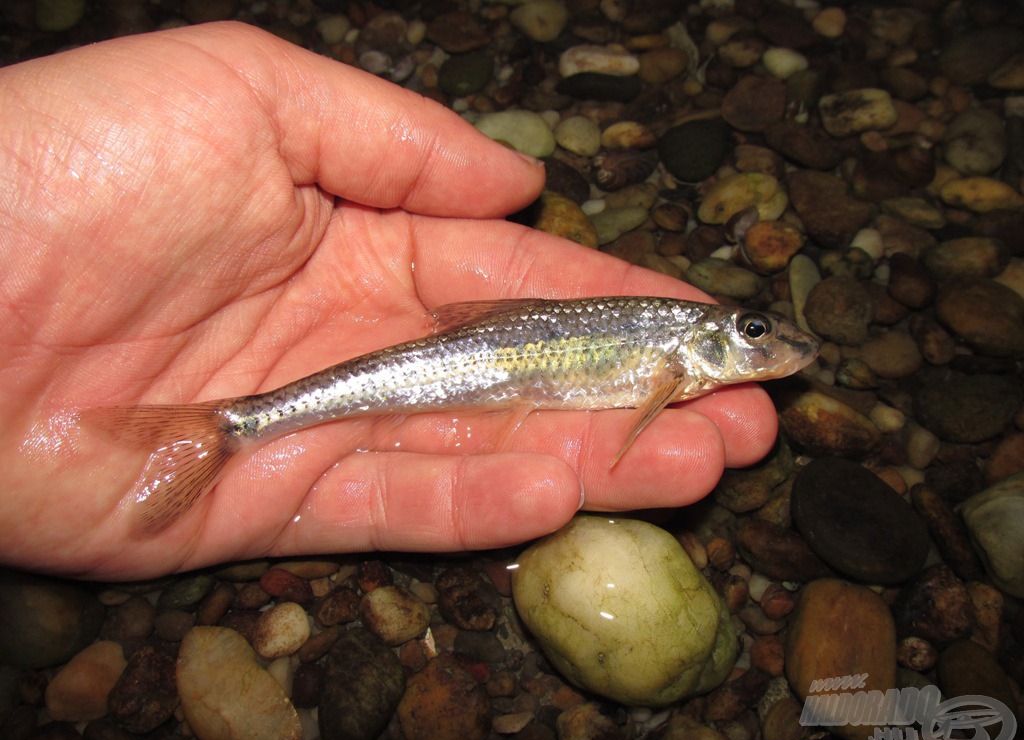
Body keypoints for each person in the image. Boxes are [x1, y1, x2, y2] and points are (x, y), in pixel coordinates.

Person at [0, 22, 779, 580]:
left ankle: (240, 424)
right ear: (708, 338)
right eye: (752, 334)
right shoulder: (677, 342)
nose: (768, 348)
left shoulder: (677, 345)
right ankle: (236, 424)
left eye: (754, 332)